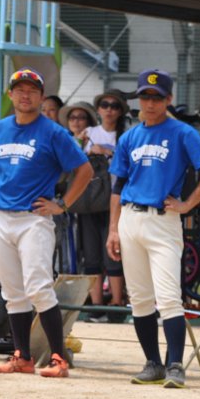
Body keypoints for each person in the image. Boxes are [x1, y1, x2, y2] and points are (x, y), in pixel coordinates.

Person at [106, 69, 200, 388]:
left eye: (157, 97)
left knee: (169, 297)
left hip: (163, 219)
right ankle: (152, 363)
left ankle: (175, 365)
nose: (150, 103)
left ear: (169, 99)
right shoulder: (130, 136)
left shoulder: (182, 132)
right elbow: (118, 185)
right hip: (130, 218)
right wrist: (113, 229)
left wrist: (188, 204)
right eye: (145, 96)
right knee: (140, 298)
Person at [0, 68, 92, 377]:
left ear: (41, 97)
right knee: (12, 292)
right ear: (10, 94)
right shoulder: (2, 128)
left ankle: (58, 358)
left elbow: (85, 170)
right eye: (20, 90)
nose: (25, 95)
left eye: (32, 91)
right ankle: (22, 356)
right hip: (2, 217)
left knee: (38, 287)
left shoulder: (53, 132)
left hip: (34, 219)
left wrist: (62, 204)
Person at [78, 90, 129, 322]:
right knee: (91, 254)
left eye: (114, 106)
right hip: (90, 198)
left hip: (117, 199)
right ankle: (97, 305)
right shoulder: (88, 133)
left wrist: (107, 151)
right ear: (98, 109)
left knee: (114, 253)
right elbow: (75, 160)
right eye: (105, 105)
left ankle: (117, 303)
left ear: (120, 111)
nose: (109, 109)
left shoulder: (126, 135)